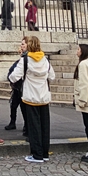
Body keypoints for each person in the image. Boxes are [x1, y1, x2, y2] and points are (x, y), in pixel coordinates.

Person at [10, 35, 54, 163]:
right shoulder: (45, 60)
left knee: (34, 127)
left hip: (31, 97)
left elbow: (13, 77)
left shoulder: (25, 60)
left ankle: (37, 154)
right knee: (45, 127)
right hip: (43, 97)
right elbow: (52, 76)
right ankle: (45, 152)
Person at [4, 39, 28, 134]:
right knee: (14, 105)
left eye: (23, 44)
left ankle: (25, 125)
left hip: (21, 86)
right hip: (18, 87)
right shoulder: (23, 57)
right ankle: (13, 122)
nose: (21, 46)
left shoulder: (25, 58)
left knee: (22, 107)